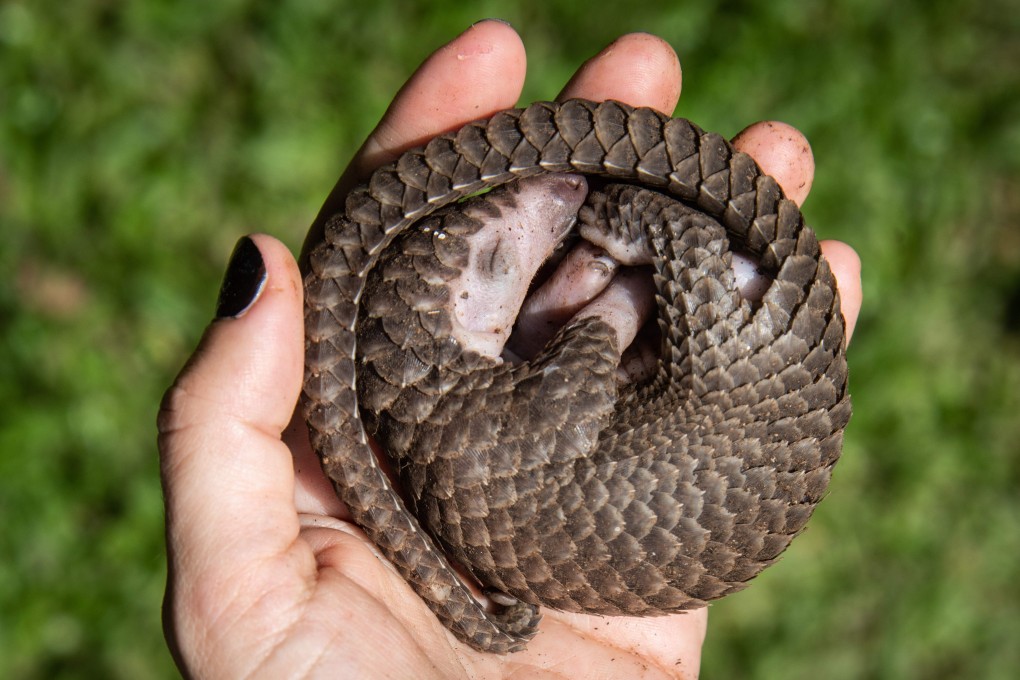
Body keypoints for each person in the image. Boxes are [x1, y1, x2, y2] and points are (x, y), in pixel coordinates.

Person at [158, 20, 862, 679]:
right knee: (665, 249)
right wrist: (616, 273)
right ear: (469, 311)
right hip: (755, 378)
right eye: (499, 259)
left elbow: (581, 372)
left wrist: (605, 294)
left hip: (721, 418)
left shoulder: (469, 457)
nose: (561, 197)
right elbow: (589, 352)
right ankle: (666, 232)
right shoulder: (485, 451)